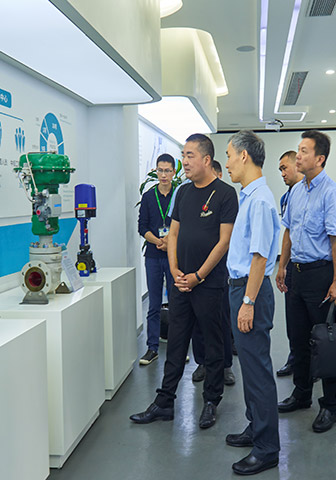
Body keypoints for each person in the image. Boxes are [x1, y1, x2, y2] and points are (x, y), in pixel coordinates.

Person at [130, 133, 238, 429]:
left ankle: (211, 401)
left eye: (190, 155)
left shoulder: (226, 194)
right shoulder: (184, 193)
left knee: (213, 345)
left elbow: (224, 242)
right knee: (176, 344)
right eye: (183, 155)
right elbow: (173, 233)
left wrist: (198, 276)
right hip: (181, 283)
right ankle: (164, 402)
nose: (184, 161)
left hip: (209, 284)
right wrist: (176, 270)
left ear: (206, 159)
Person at [275, 130, 336, 434]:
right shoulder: (296, 192)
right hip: (296, 273)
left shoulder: (331, 193)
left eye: (304, 151)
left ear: (320, 158)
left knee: (325, 343)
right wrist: (282, 265)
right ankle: (302, 394)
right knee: (298, 338)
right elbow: (288, 231)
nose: (298, 156)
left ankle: (329, 405)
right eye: (299, 150)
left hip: (320, 274)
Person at [224, 130, 280, 476]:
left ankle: (267, 448)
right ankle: (255, 426)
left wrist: (248, 301)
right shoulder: (250, 196)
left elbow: (259, 258)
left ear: (244, 156)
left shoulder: (258, 200)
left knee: (258, 370)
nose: (227, 163)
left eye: (229, 155)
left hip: (250, 291)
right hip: (243, 289)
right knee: (249, 365)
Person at [190, 158, 236, 386]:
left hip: (218, 270)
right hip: (194, 269)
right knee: (198, 321)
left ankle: (225, 365)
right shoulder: (191, 195)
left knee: (221, 319)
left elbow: (225, 240)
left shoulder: (226, 196)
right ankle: (202, 362)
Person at [137, 153, 176, 365]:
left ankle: (177, 348)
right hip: (153, 255)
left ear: (174, 172)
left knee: (176, 303)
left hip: (173, 256)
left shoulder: (179, 195)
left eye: (167, 170)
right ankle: (152, 348)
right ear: (156, 171)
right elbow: (142, 226)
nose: (163, 175)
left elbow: (184, 223)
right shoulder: (148, 197)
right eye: (160, 170)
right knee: (153, 304)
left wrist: (170, 242)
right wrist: (158, 241)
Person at [276, 150, 304, 377]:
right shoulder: (286, 198)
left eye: (285, 168)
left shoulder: (310, 193)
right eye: (280, 170)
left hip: (313, 267)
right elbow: (288, 234)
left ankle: (315, 364)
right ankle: (295, 360)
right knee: (293, 319)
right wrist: (282, 266)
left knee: (312, 321)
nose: (282, 173)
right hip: (292, 266)